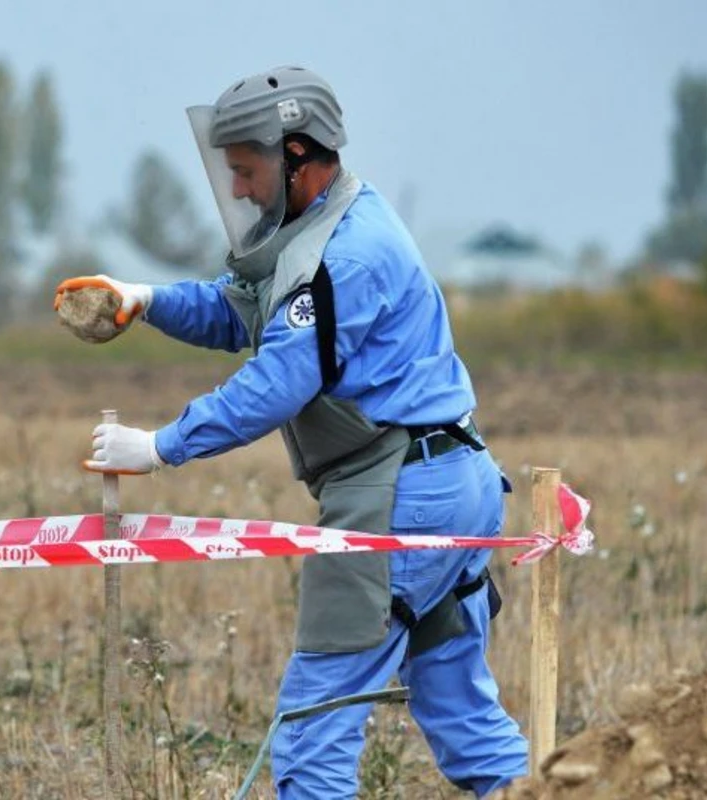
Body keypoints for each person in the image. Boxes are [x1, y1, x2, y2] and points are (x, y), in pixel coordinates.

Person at [54, 66, 528, 798]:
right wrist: (144, 300)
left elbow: (278, 383)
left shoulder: (344, 256)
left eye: (246, 171)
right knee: (459, 709)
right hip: (451, 482)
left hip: (400, 498)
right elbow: (239, 311)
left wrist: (159, 447)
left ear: (298, 154)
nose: (238, 188)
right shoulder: (322, 229)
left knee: (314, 722)